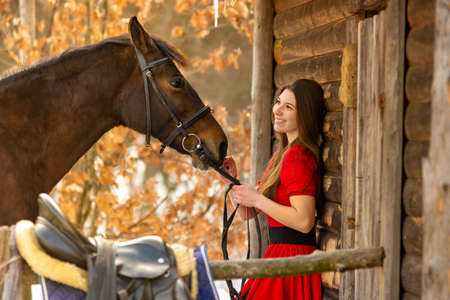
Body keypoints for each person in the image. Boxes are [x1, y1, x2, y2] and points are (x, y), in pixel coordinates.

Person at [220, 79, 325, 300]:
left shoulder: (298, 156)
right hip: (279, 256)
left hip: (292, 260)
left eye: (289, 107)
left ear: (304, 115)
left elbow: (304, 222)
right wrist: (230, 180)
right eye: (278, 102)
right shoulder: (281, 155)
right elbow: (247, 213)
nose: (277, 109)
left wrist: (257, 199)